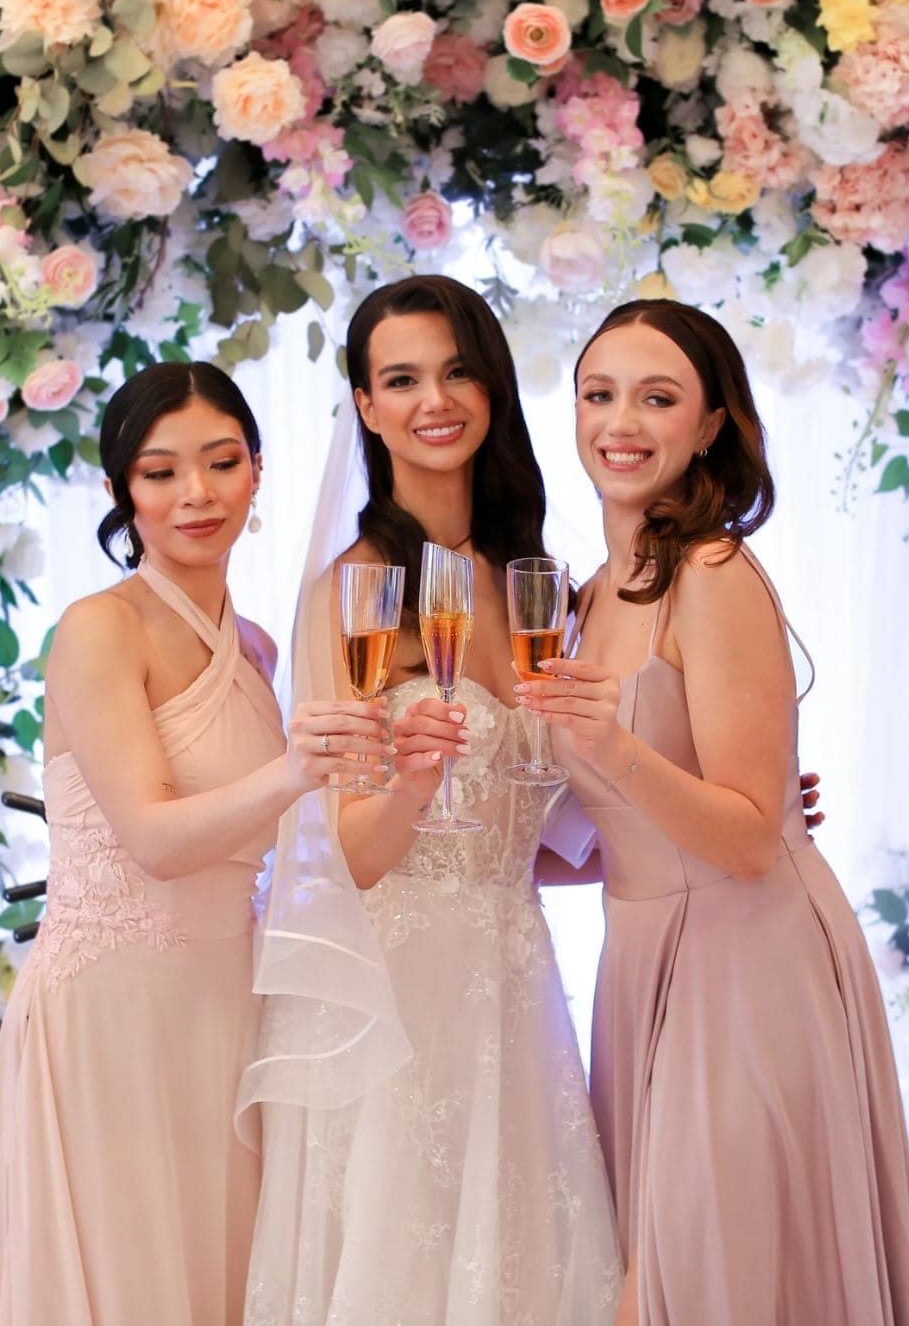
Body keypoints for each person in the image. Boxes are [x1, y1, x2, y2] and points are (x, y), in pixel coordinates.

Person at [515, 299, 909, 1326]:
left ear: (710, 425)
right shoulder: (584, 596)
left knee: (700, 1280)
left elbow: (748, 840)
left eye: (657, 399)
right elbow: (616, 833)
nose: (621, 423)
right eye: (599, 394)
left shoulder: (710, 572)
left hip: (745, 962)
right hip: (640, 963)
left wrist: (616, 745)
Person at [0, 363, 387, 1326]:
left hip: (228, 1010)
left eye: (222, 463)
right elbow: (151, 836)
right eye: (161, 472)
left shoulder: (259, 646)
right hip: (114, 1013)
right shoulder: (99, 628)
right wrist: (296, 770)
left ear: (257, 472)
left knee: (220, 1279)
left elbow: (282, 846)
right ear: (122, 490)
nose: (197, 493)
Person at [239, 276, 623, 1325]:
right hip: (395, 990)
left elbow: (545, 835)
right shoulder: (353, 592)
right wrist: (413, 782)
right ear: (367, 407)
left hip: (516, 974)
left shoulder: (537, 584)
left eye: (457, 372)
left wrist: (729, 807)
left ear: (492, 387)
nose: (435, 400)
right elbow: (347, 860)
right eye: (401, 380)